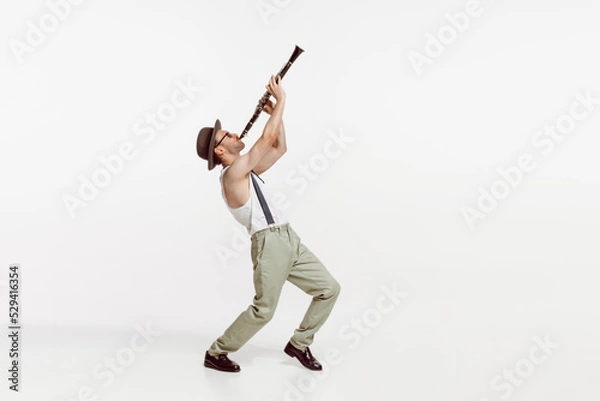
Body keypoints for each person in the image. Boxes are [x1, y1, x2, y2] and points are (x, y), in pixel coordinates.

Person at [195, 75, 341, 373]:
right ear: (220, 152)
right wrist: (281, 102)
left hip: (289, 238)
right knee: (264, 310)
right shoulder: (232, 175)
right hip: (268, 243)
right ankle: (216, 352)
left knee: (329, 288)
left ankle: (299, 344)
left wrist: (274, 112)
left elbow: (278, 147)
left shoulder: (246, 169)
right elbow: (263, 141)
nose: (235, 133)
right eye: (227, 136)